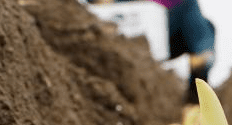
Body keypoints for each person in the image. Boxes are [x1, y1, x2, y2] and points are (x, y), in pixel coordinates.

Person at [88, 0, 216, 103]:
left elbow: (204, 54)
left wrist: (183, 71)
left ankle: (193, 103)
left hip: (162, 62)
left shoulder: (182, 5)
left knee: (208, 29)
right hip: (110, 61)